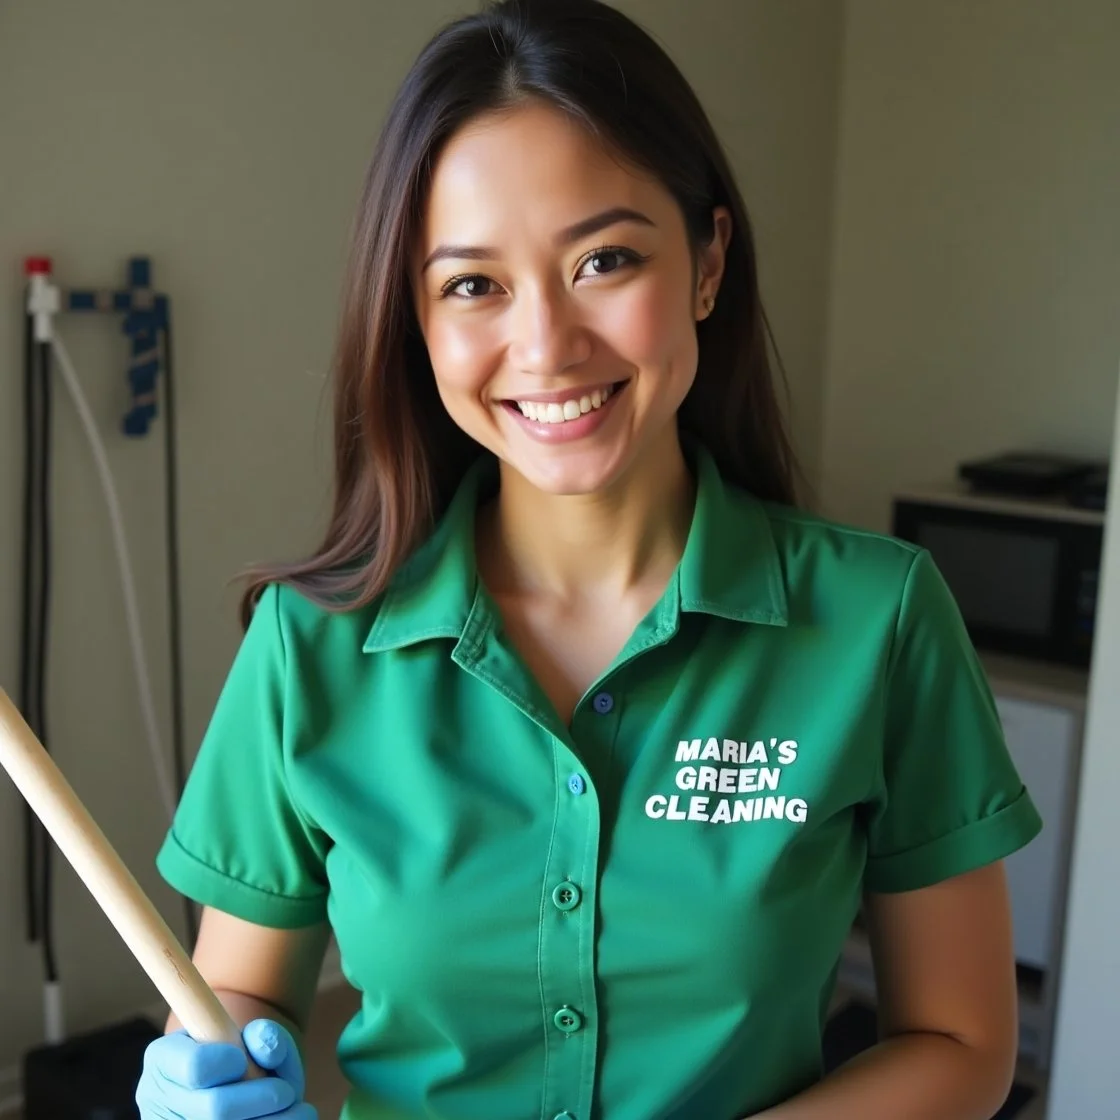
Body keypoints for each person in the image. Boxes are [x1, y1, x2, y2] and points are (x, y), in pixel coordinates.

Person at [135, 1, 1044, 1117]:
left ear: (708, 263)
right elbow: (238, 987)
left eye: (604, 259)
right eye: (473, 284)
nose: (547, 346)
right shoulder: (309, 644)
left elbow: (960, 1040)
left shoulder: (879, 618)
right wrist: (214, 1065)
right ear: (414, 319)